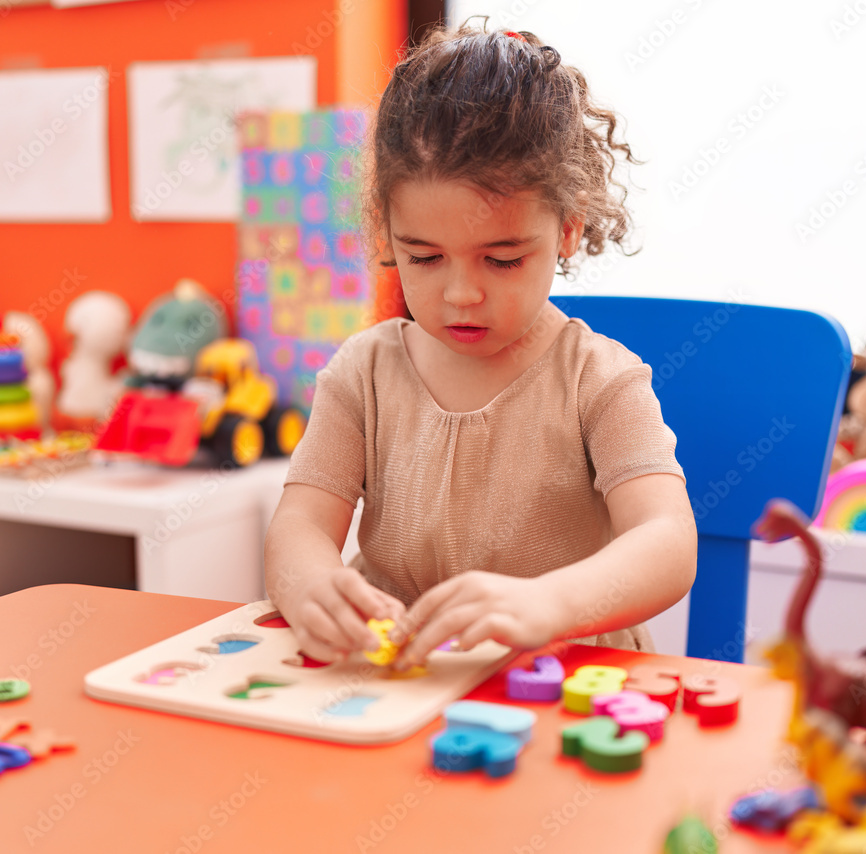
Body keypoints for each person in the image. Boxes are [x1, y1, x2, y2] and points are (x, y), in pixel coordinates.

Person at [264, 22, 697, 669]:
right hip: (398, 683)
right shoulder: (364, 372)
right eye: (426, 257)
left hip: (556, 678)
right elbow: (298, 527)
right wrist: (308, 587)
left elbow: (667, 541)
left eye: (500, 260)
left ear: (568, 228)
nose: (461, 293)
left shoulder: (600, 380)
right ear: (387, 230)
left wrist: (548, 604)